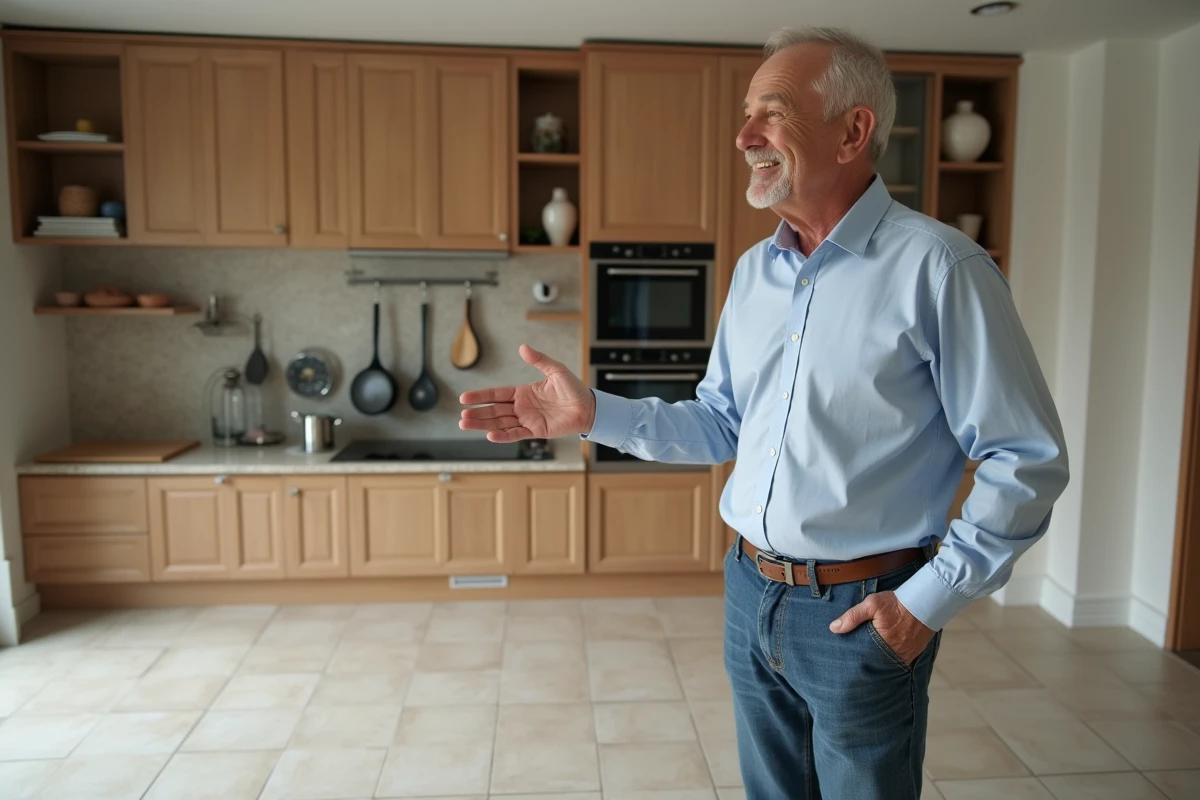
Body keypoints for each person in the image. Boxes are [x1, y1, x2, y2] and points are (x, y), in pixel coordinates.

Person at [459, 25, 1069, 800]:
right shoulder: (756, 272)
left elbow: (1028, 458)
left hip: (863, 611)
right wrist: (592, 416)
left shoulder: (940, 268)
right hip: (750, 592)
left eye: (772, 113)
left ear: (853, 130)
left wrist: (926, 603)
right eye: (749, 114)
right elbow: (720, 425)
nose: (745, 136)